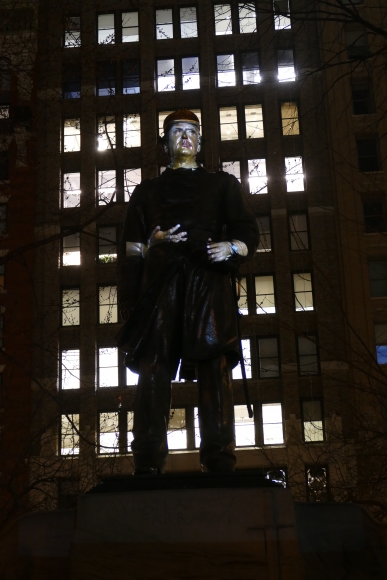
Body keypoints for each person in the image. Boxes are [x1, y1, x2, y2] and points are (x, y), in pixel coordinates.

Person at [116, 109, 259, 475]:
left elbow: (247, 231)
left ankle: (219, 455)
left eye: (191, 131)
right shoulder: (146, 192)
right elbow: (130, 251)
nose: (185, 137)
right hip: (160, 285)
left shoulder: (223, 184)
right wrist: (150, 246)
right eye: (177, 131)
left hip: (207, 281)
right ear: (164, 143)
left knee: (215, 364)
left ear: (201, 140)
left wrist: (231, 247)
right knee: (153, 366)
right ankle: (147, 457)